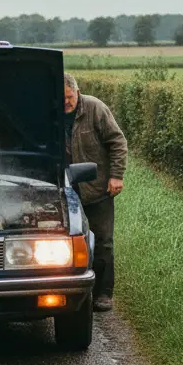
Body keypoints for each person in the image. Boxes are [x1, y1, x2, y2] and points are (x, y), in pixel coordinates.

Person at [63, 73, 127, 312]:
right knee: (68, 242)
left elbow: (117, 142)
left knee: (103, 242)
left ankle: (103, 293)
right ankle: (72, 290)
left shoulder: (95, 108)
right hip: (66, 192)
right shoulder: (50, 113)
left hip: (97, 189)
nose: (66, 103)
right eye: (61, 99)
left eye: (69, 97)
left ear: (77, 92)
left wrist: (116, 176)